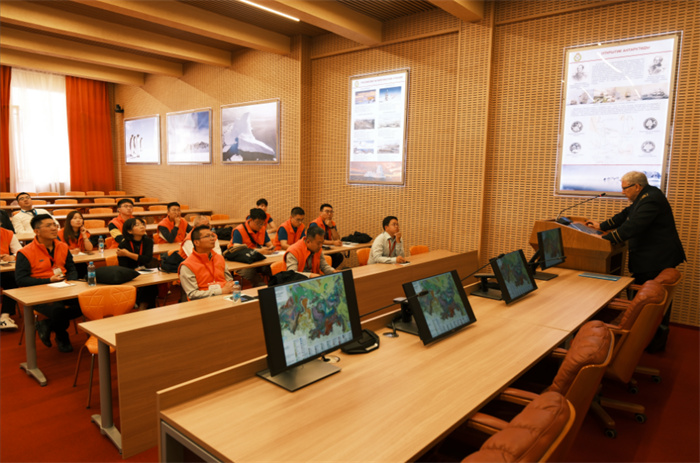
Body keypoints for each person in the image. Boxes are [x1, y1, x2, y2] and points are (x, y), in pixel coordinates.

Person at [585, 171, 686, 351]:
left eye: (625, 188)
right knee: (649, 302)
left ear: (637, 186)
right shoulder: (647, 196)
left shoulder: (651, 199)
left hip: (656, 259)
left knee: (652, 304)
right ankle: (648, 340)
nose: (623, 192)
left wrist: (605, 239)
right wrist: (602, 226)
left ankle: (649, 342)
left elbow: (633, 226)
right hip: (653, 257)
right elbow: (626, 214)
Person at [15, 214, 82, 352]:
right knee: (58, 310)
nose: (54, 228)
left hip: (63, 288)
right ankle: (62, 336)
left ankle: (47, 324)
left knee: (87, 303)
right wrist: (48, 280)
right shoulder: (25, 252)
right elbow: (21, 280)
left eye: (54, 225)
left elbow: (71, 269)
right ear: (37, 231)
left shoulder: (62, 246)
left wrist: (72, 282)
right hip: (39, 292)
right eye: (48, 226)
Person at [178, 225, 235, 300]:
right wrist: (220, 291)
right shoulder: (187, 265)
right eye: (207, 236)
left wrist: (231, 287)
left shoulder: (219, 258)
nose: (213, 239)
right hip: (203, 302)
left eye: (212, 235)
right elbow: (192, 294)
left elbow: (229, 281)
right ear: (196, 242)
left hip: (225, 298)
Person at [117, 218, 157, 310]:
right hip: (130, 273)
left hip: (146, 271)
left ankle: (143, 307)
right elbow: (123, 266)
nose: (142, 227)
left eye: (142, 224)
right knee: (146, 284)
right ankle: (143, 307)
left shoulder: (148, 241)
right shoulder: (123, 245)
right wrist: (135, 270)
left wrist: (128, 254)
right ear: (129, 231)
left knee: (151, 282)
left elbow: (147, 259)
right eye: (137, 225)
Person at [231, 208, 275, 287]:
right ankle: (262, 288)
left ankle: (273, 286)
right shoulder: (239, 230)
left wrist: (271, 248)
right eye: (258, 223)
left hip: (257, 260)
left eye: (262, 223)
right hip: (242, 263)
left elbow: (270, 244)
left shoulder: (262, 229)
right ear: (251, 220)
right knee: (256, 279)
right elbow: (237, 250)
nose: (260, 226)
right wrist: (259, 251)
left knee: (271, 269)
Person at [0, 226, 22, 330]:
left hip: (2, 270)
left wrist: (12, 257)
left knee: (13, 280)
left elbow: (21, 252)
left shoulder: (7, 233)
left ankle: (5, 316)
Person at [309, 203, 343, 268]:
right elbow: (317, 240)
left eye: (331, 212)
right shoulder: (315, 224)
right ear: (321, 213)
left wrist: (331, 227)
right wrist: (333, 242)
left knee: (339, 256)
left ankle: (329, 271)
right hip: (316, 249)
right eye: (327, 212)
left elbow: (337, 238)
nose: (329, 214)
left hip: (327, 248)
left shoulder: (332, 223)